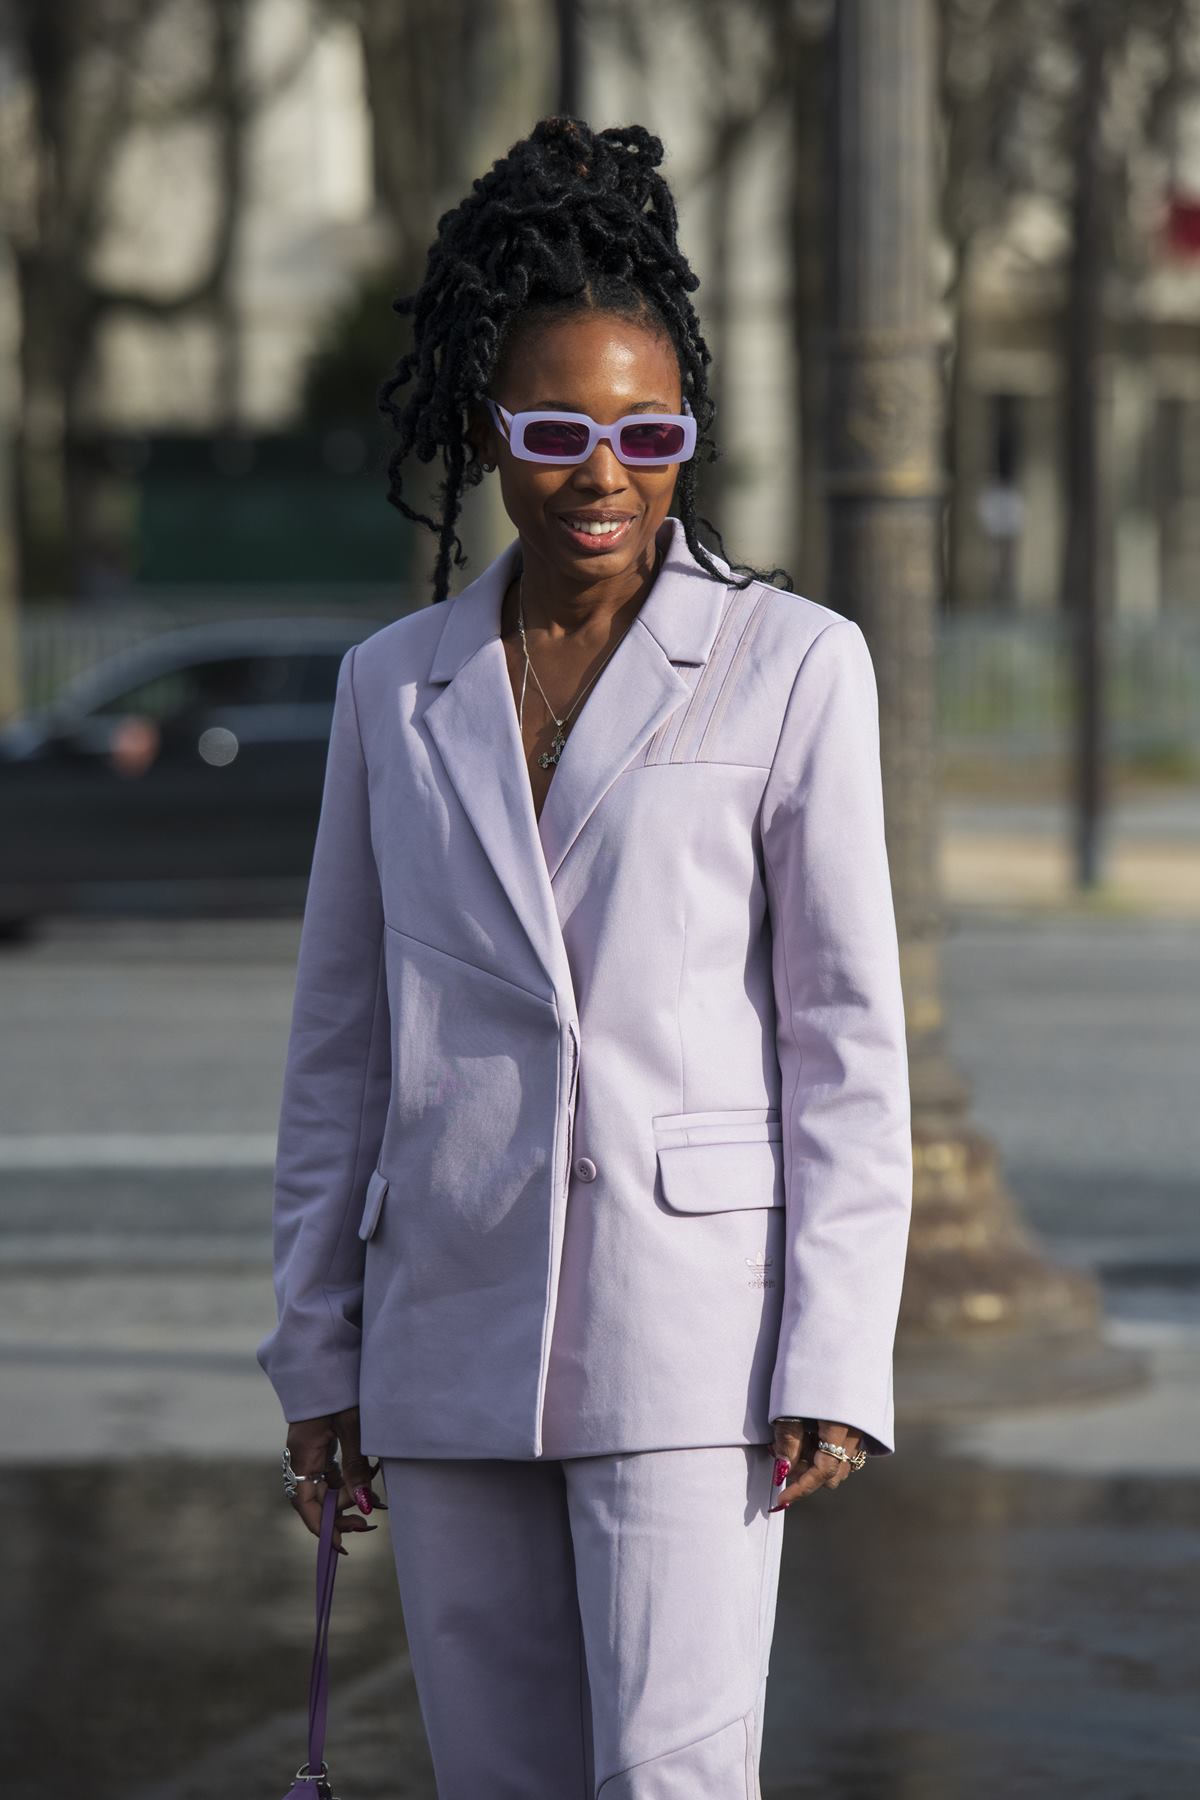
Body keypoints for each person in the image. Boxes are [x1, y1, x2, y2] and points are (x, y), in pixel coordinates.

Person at [257, 115, 912, 1800]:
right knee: (501, 1777)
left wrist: (833, 1349)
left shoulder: (792, 665)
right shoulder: (390, 687)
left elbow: (842, 1034)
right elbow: (340, 1042)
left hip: (694, 1332)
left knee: (675, 1776)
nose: (601, 470)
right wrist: (315, 1351)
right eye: (557, 429)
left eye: (647, 429)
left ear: (689, 436)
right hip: (449, 1317)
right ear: (492, 436)